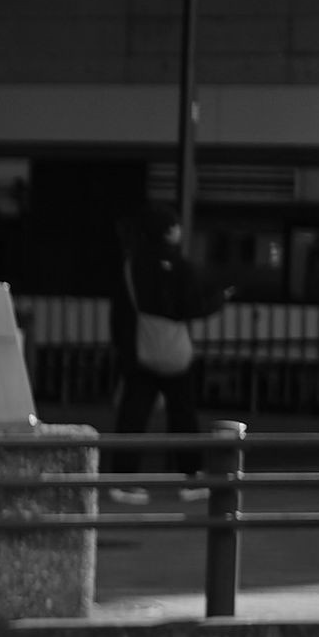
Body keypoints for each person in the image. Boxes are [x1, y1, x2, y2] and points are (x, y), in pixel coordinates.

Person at [108, 208, 222, 504]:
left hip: (140, 350)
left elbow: (120, 312)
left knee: (133, 416)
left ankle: (123, 480)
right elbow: (192, 306)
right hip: (174, 353)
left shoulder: (132, 265)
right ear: (169, 231)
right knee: (183, 413)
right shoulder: (181, 266)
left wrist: (124, 350)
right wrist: (219, 299)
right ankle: (191, 478)